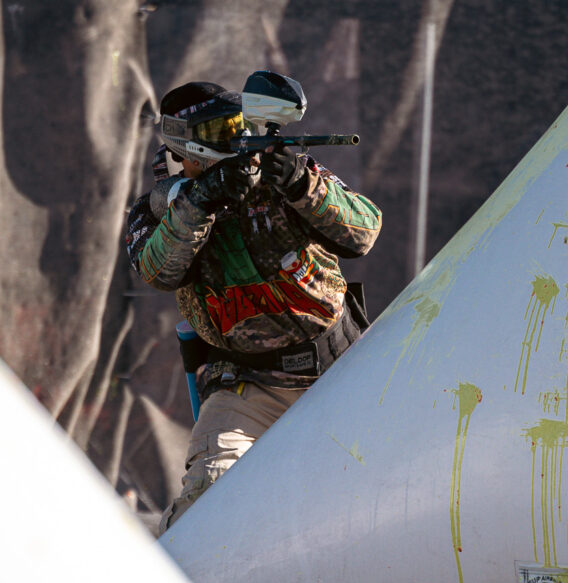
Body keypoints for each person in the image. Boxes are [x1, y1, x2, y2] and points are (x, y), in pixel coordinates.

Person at [125, 80, 381, 533]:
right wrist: (200, 201)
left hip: (341, 371)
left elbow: (364, 230)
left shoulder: (284, 175)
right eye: (221, 131)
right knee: (204, 510)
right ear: (186, 148)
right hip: (246, 390)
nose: (237, 138)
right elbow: (158, 271)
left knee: (387, 491)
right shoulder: (159, 209)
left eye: (238, 126)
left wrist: (302, 184)